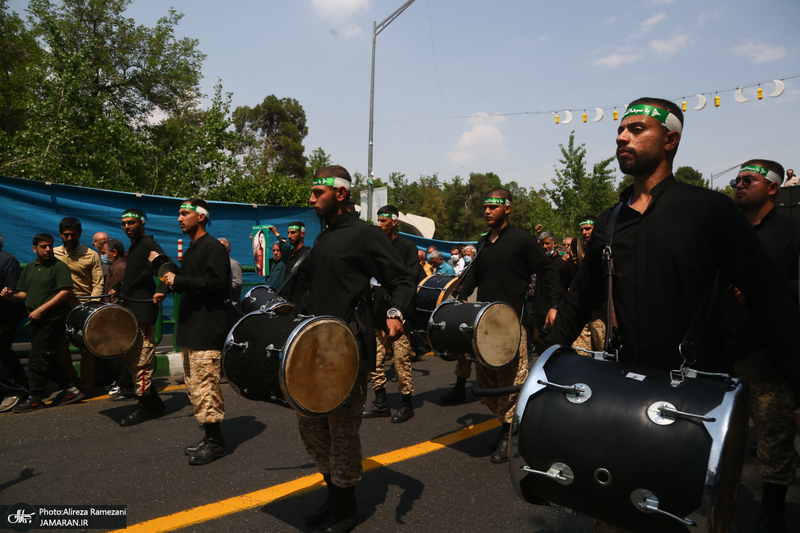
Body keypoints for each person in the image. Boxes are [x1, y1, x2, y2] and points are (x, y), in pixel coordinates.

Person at [548, 98, 800, 531]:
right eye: (620, 129)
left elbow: (769, 297)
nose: (621, 136)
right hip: (623, 391)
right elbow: (580, 296)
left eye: (636, 129)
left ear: (670, 140)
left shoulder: (709, 210)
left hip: (696, 395)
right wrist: (543, 364)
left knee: (682, 512)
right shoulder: (610, 221)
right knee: (616, 504)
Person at [290, 165, 415, 533]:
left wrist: (395, 312)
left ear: (340, 194)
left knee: (342, 432)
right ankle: (333, 494)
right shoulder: (323, 239)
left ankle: (345, 507)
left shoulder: (365, 235)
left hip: (347, 351)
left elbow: (403, 278)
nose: (311, 199)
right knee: (311, 430)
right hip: (313, 349)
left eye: (318, 193)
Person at [456, 188, 560, 464]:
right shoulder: (482, 243)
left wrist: (553, 304)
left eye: (493, 206)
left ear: (507, 209)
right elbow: (473, 275)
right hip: (484, 325)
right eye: (485, 207)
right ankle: (507, 422)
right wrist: (460, 296)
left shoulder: (522, 240)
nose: (487, 211)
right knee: (487, 384)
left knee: (511, 383)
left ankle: (508, 433)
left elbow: (547, 271)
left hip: (513, 324)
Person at [730, 159, 800, 531]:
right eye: (736, 180)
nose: (739, 185)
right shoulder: (731, 234)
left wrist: (761, 292)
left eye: (748, 180)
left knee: (773, 442)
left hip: (770, 360)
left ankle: (773, 511)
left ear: (773, 187)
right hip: (726, 359)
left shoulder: (791, 233)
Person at [153, 199, 231, 465]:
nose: (179, 218)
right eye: (178, 214)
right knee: (196, 387)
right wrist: (166, 280)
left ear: (200, 217)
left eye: (184, 214)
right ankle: (210, 436)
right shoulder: (194, 248)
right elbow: (188, 283)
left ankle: (216, 443)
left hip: (206, 331)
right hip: (192, 330)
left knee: (207, 387)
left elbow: (217, 285)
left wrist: (179, 280)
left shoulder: (213, 247)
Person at [1, 234, 84, 412]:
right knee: (48, 358)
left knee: (36, 359)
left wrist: (41, 309)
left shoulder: (59, 267)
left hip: (52, 320)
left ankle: (35, 397)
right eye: (43, 246)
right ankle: (71, 389)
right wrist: (11, 297)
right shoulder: (31, 267)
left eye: (50, 246)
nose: (48, 249)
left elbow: (65, 292)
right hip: (37, 321)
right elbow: (24, 293)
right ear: (34, 248)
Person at [363, 205, 424, 424]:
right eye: (378, 221)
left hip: (399, 315)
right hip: (377, 313)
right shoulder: (375, 247)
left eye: (383, 221)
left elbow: (412, 277)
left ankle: (407, 404)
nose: (379, 225)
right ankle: (381, 403)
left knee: (401, 361)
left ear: (394, 222)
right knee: (375, 362)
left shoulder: (407, 246)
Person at [109, 209, 167, 426]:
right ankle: (156, 403)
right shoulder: (133, 248)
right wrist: (117, 287)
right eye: (124, 223)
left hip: (143, 311)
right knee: (132, 360)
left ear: (142, 223)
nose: (127, 227)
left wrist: (162, 289)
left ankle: (144, 408)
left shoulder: (149, 246)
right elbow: (134, 277)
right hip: (130, 311)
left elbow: (167, 268)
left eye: (131, 223)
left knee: (142, 361)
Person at [54, 217, 105, 389]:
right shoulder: (53, 254)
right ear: (60, 235)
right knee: (61, 347)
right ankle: (72, 381)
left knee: (87, 349)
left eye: (73, 235)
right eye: (66, 235)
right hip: (59, 306)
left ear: (80, 234)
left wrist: (91, 306)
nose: (69, 239)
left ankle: (87, 384)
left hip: (83, 306)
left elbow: (98, 283)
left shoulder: (91, 255)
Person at [0, 233, 28, 412]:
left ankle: (12, 390)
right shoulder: (8, 259)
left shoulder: (8, 260)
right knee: (4, 352)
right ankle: (22, 384)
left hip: (4, 315)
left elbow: (12, 292)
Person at [218, 238, 243, 306]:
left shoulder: (234, 264)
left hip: (231, 306)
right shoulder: (214, 263)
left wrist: (220, 286)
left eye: (222, 248)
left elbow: (238, 283)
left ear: (229, 250)